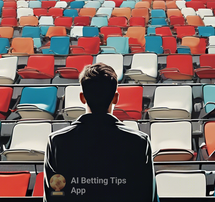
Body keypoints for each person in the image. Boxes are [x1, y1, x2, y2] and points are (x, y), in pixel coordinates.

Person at [44, 63, 158, 202]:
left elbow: (54, 197)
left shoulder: (57, 141)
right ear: (116, 98)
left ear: (82, 97)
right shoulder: (139, 141)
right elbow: (147, 196)